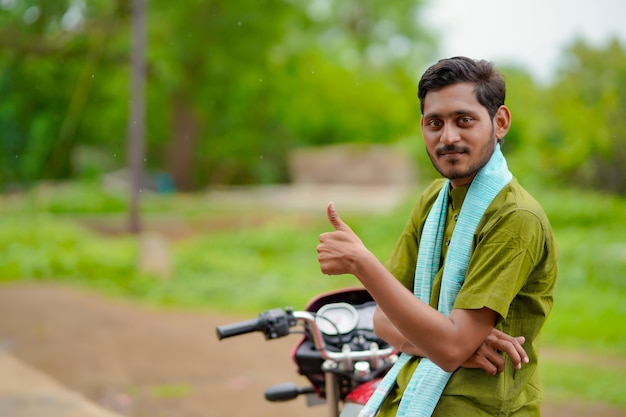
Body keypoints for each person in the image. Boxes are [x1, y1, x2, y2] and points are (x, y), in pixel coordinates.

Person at [317, 56, 558, 417]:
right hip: (405, 399)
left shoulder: (514, 217)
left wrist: (361, 263)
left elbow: (447, 348)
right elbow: (383, 320)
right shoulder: (434, 198)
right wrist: (451, 343)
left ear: (500, 122)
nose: (448, 137)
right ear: (422, 127)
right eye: (435, 123)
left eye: (465, 120)